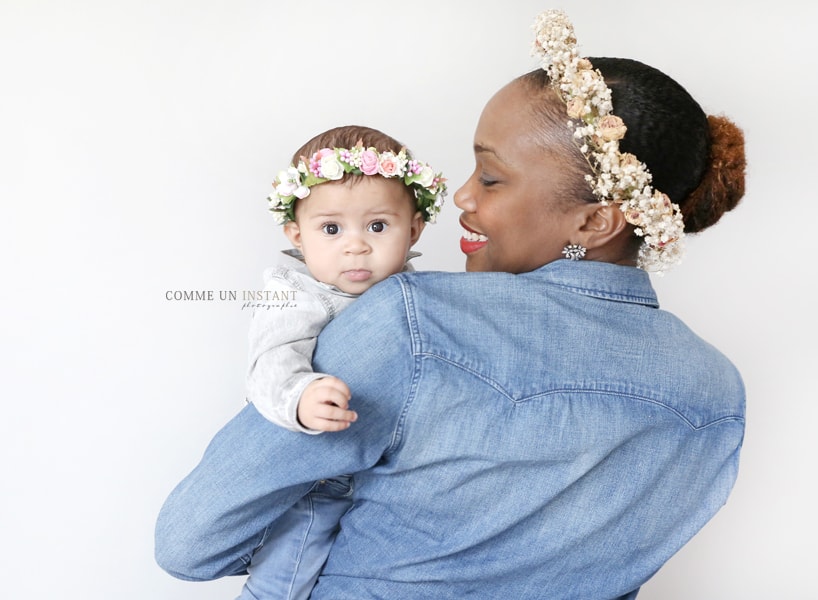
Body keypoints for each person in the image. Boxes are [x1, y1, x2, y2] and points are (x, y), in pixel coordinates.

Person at [156, 10, 747, 599]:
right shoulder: (718, 394)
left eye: (490, 178)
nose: (460, 195)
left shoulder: (411, 322)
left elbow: (190, 542)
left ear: (595, 220)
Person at [237, 124, 446, 599]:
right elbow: (270, 363)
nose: (356, 245)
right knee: (284, 576)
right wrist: (301, 394)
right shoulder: (298, 296)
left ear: (413, 228)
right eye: (331, 229)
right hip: (320, 478)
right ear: (297, 234)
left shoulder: (417, 295)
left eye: (378, 226)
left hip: (392, 473)